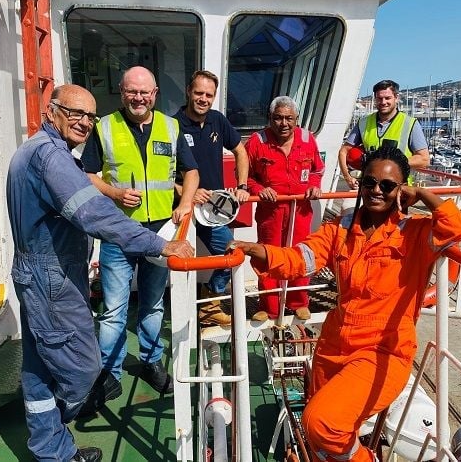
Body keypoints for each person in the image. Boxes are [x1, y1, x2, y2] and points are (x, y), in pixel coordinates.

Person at [230, 145, 461, 462]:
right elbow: (301, 258)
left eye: (388, 186)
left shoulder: (415, 233)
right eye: (369, 182)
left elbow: (458, 230)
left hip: (383, 349)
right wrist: (257, 250)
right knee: (319, 439)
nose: (376, 190)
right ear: (360, 184)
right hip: (334, 343)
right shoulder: (339, 229)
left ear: (401, 189)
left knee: (322, 424)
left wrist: (424, 196)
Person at [6, 84, 194, 462]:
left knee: (40, 369)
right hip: (51, 277)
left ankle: (52, 452)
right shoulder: (51, 156)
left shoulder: (37, 150)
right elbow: (91, 213)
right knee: (81, 369)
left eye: (90, 116)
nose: (85, 123)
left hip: (38, 272)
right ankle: (55, 436)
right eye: (75, 113)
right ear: (51, 111)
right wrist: (159, 244)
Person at [80, 66, 199, 407]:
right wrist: (114, 194)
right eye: (132, 91)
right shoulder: (104, 127)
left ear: (155, 93)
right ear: (122, 92)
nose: (139, 98)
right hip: (117, 231)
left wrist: (186, 203)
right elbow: (87, 175)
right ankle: (109, 375)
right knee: (114, 309)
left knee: (152, 305)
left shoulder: (170, 126)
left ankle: (150, 361)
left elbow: (191, 171)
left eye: (145, 92)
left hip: (160, 232)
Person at [173, 70, 250, 327]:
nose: (203, 98)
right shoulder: (172, 125)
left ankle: (210, 303)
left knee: (231, 251)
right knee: (177, 264)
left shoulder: (218, 120)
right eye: (198, 93)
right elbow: (161, 174)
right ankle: (180, 312)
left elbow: (241, 151)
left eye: (209, 94)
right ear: (188, 92)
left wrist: (241, 185)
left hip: (213, 210)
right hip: (183, 211)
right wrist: (188, 192)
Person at [244, 96, 324, 321]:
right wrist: (259, 189)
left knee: (301, 254)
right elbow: (244, 177)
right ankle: (268, 306)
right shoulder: (257, 141)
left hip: (301, 209)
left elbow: (317, 170)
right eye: (278, 118)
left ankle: (299, 302)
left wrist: (314, 186)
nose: (284, 123)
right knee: (267, 256)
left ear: (297, 119)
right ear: (270, 119)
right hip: (270, 211)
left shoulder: (308, 139)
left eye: (289, 118)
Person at [338, 79, 430, 188]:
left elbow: (424, 159)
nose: (383, 102)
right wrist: (348, 177)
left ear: (396, 98)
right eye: (379, 98)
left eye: (387, 98)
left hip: (398, 189)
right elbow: (343, 151)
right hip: (370, 187)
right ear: (375, 99)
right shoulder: (363, 123)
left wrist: (393, 162)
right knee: (346, 205)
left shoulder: (410, 124)